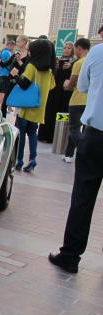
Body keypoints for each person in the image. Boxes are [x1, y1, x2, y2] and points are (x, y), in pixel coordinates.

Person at [49, 42, 103, 274]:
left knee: (83, 197)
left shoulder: (98, 52)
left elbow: (82, 85)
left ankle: (70, 256)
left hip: (97, 135)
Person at [10, 39, 55, 172]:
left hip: (25, 107)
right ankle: (33, 159)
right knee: (33, 134)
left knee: (21, 133)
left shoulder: (32, 66)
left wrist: (16, 75)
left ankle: (19, 160)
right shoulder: (50, 70)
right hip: (38, 107)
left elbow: (24, 84)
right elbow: (51, 86)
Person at [39, 41, 75, 143]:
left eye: (69, 48)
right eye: (65, 48)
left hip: (65, 92)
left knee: (61, 111)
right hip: (54, 90)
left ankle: (59, 138)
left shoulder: (74, 62)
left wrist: (71, 66)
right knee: (49, 111)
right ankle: (44, 135)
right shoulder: (57, 60)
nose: (66, 50)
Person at [62, 38, 90, 163]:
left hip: (77, 100)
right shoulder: (92, 61)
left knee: (74, 129)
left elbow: (70, 84)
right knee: (84, 129)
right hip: (90, 101)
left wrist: (66, 84)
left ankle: (84, 152)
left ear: (78, 48)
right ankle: (69, 154)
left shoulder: (78, 63)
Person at [0, 40, 15, 116]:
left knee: (2, 91)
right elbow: (8, 64)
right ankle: (1, 107)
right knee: (3, 92)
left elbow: (2, 63)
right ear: (10, 45)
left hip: (2, 73)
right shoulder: (8, 53)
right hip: (6, 74)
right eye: (13, 46)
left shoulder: (3, 52)